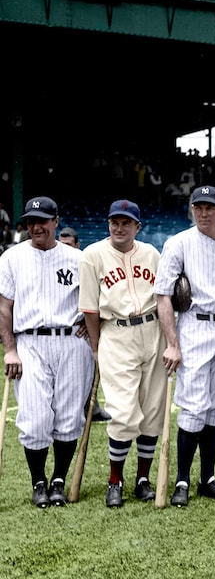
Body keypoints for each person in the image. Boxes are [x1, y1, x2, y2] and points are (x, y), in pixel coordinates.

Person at [153, 186, 215, 507]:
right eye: (198, 207)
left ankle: (208, 478)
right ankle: (182, 479)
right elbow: (164, 296)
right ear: (191, 209)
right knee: (194, 407)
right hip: (195, 325)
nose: (203, 213)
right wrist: (172, 344)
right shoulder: (178, 243)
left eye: (210, 207)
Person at [0, 196, 94, 507]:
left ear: (56, 221)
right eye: (30, 222)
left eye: (42, 220)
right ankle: (38, 481)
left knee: (68, 418)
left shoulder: (77, 257)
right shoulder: (11, 258)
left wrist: (89, 324)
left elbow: (94, 301)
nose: (36, 227)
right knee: (35, 418)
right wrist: (10, 350)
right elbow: (4, 308)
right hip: (29, 342)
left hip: (70, 341)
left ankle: (58, 480)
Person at [78, 199, 167, 508]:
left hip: (154, 330)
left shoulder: (152, 254)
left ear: (137, 227)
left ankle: (143, 479)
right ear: (108, 224)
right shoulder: (92, 255)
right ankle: (115, 480)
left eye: (126, 223)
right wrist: (95, 343)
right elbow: (89, 307)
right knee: (124, 411)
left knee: (152, 410)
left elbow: (165, 298)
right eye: (115, 221)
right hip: (116, 331)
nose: (119, 227)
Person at [58, 227, 111, 423]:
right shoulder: (52, 261)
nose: (66, 249)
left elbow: (101, 294)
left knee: (88, 369)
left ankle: (92, 406)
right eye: (62, 244)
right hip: (59, 327)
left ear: (77, 245)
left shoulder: (84, 261)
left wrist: (90, 319)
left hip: (82, 326)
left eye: (69, 245)